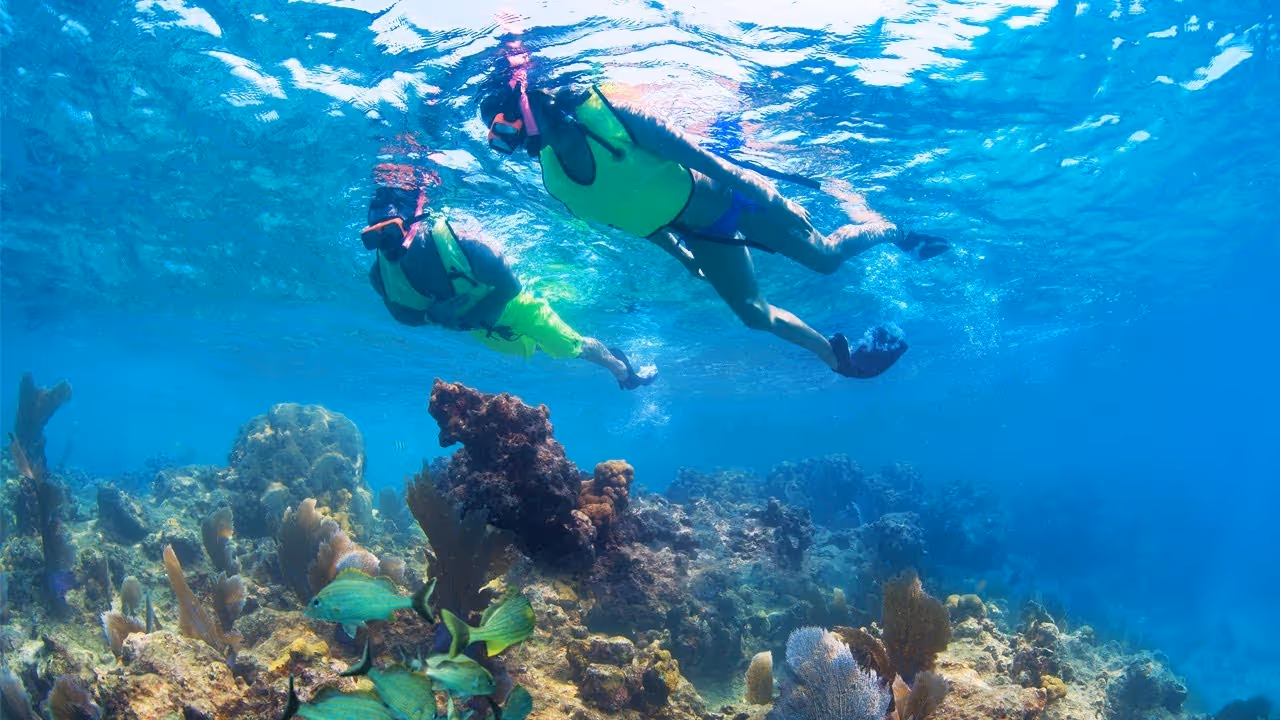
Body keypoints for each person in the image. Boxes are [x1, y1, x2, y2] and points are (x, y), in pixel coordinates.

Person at [479, 59, 952, 379]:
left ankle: (893, 230)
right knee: (751, 314)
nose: (510, 145)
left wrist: (777, 200)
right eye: (497, 140)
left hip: (734, 200)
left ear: (526, 107)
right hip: (701, 233)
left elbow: (713, 163)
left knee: (824, 260)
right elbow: (635, 223)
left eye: (504, 130)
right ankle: (836, 358)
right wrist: (685, 258)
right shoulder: (555, 181)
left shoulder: (614, 116)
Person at [360, 133, 656, 390]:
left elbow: (510, 288)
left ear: (415, 221)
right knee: (531, 347)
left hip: (517, 309)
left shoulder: (462, 243)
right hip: (481, 327)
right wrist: (432, 317)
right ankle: (550, 342)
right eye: (373, 238)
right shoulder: (380, 274)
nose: (384, 246)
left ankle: (619, 367)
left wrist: (464, 318)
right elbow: (401, 314)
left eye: (390, 231)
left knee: (568, 347)